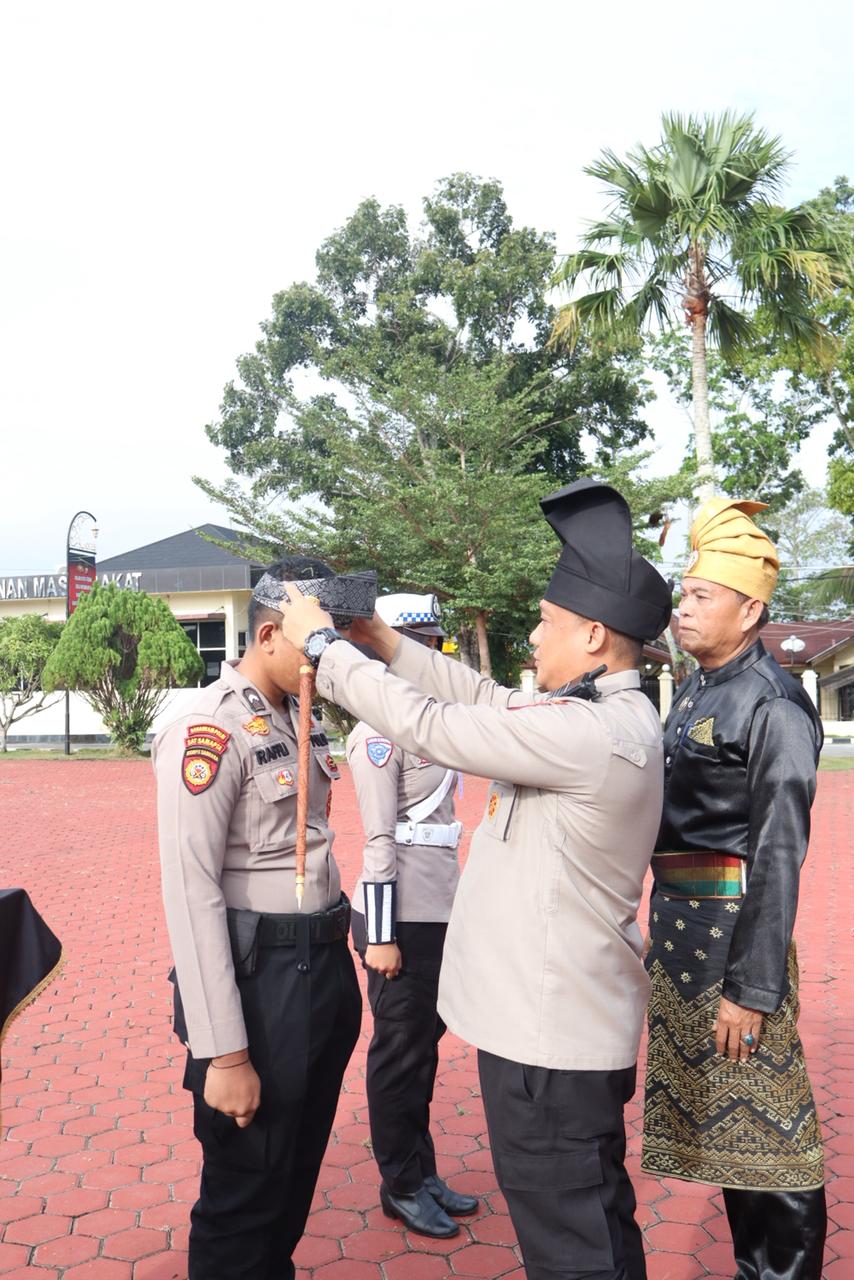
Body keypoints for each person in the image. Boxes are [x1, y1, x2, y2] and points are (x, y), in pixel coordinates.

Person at [277, 479, 673, 1280]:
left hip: (547, 1040)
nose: (532, 634)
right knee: (591, 1218)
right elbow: (488, 697)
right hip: (553, 1027)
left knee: (571, 1241)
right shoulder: (599, 714)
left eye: (549, 623)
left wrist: (327, 650)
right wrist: (382, 641)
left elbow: (440, 726)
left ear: (595, 635)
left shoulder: (591, 732)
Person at [152, 556, 361, 1280]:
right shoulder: (208, 730)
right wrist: (226, 1054)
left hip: (322, 970)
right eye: (315, 640)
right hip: (260, 988)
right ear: (271, 634)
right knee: (244, 1192)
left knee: (293, 1176)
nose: (329, 657)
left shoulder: (299, 715)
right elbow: (191, 891)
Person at [641, 498, 826, 1280]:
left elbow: (780, 853)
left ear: (751, 609)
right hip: (683, 937)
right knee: (728, 1137)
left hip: (732, 950)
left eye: (700, 597)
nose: (683, 608)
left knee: (771, 1142)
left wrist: (751, 988)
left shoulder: (773, 703)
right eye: (683, 594)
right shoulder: (695, 687)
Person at [348, 592, 477, 1239]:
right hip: (397, 922)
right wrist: (379, 933)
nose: (431, 652)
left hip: (438, 912)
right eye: (419, 641)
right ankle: (399, 1183)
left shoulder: (430, 721)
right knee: (399, 1055)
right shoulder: (377, 733)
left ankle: (421, 1171)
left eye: (435, 642)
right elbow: (378, 840)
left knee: (423, 1052)